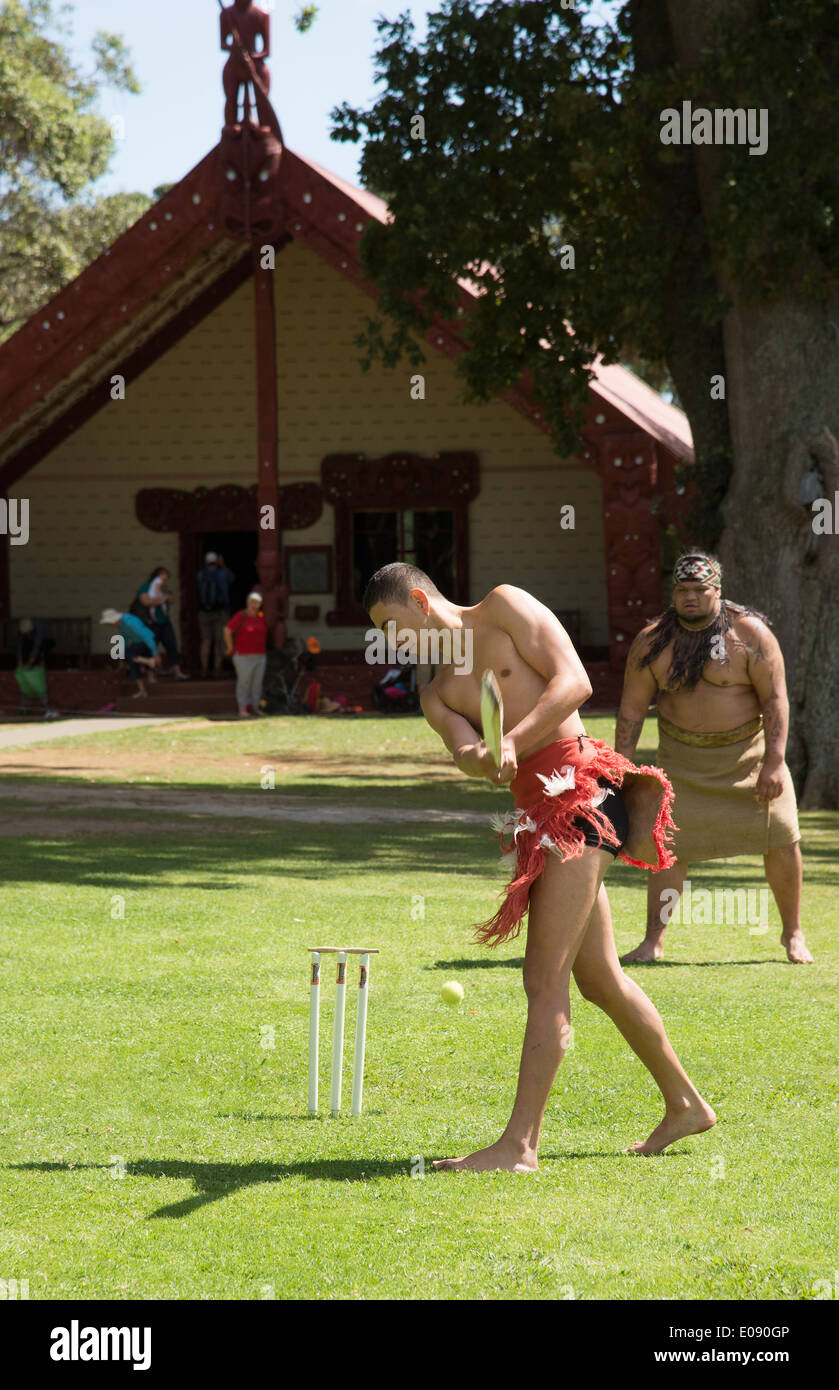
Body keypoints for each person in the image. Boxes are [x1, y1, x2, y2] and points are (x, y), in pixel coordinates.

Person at [364, 562, 716, 1172]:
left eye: (391, 627)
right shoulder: (435, 691)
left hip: (583, 799)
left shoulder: (503, 607)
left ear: (421, 602)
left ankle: (519, 1147)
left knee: (543, 979)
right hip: (537, 820)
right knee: (600, 978)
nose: (389, 644)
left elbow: (574, 683)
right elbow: (464, 752)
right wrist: (483, 757)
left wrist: (513, 737)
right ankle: (686, 1104)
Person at [615, 549, 812, 965]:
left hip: (750, 759)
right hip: (681, 763)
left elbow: (776, 701)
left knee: (780, 837)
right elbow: (632, 709)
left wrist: (775, 761)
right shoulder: (652, 643)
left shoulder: (750, 635)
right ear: (673, 594)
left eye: (700, 589)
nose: (690, 597)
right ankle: (654, 941)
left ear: (717, 591)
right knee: (667, 848)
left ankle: (793, 934)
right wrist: (620, 767)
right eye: (683, 589)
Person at [134, 567, 189, 680]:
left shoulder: (163, 587)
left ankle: (177, 671)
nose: (165, 579)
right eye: (163, 576)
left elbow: (172, 599)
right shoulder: (146, 586)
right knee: (150, 648)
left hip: (165, 622)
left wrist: (166, 596)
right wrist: (161, 600)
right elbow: (145, 601)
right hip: (151, 623)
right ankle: (151, 675)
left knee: (172, 645)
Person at [224, 591, 268, 717]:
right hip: (243, 656)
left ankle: (255, 707)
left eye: (258, 603)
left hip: (260, 656)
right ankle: (242, 708)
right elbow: (227, 630)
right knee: (244, 682)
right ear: (247, 603)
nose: (255, 605)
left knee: (257, 683)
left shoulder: (261, 617)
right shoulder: (240, 615)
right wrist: (230, 647)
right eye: (252, 602)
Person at [100, 607, 159, 698]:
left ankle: (149, 664)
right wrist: (122, 660)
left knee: (129, 654)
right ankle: (142, 690)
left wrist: (155, 652)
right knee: (131, 658)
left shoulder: (129, 621)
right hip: (138, 643)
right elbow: (124, 640)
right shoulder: (121, 625)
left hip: (148, 641)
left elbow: (146, 636)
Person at [196, 552, 234, 678]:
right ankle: (217, 669)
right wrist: (222, 565)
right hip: (221, 612)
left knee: (206, 641)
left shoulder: (200, 575)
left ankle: (204, 669)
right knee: (219, 641)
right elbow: (232, 578)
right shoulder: (223, 574)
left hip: (204, 612)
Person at [15, 617, 58, 718]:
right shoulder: (23, 634)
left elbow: (37, 646)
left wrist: (31, 661)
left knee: (41, 650)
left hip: (46, 642)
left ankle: (36, 665)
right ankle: (29, 667)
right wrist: (20, 661)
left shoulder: (39, 630)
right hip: (32, 645)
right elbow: (20, 646)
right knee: (26, 646)